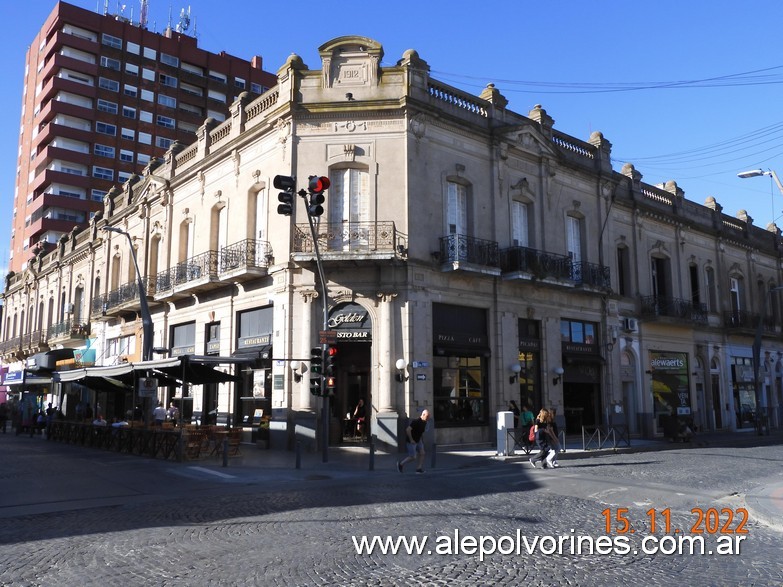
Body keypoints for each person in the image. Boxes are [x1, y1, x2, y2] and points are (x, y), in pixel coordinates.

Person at [397, 409, 430, 474]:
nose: (428, 418)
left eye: (429, 417)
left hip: (418, 440)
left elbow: (420, 432)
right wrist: (411, 439)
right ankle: (400, 464)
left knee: (422, 453)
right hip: (411, 441)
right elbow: (408, 430)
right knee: (413, 457)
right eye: (427, 416)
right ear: (423, 415)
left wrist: (421, 440)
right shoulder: (416, 421)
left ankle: (418, 468)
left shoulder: (425, 422)